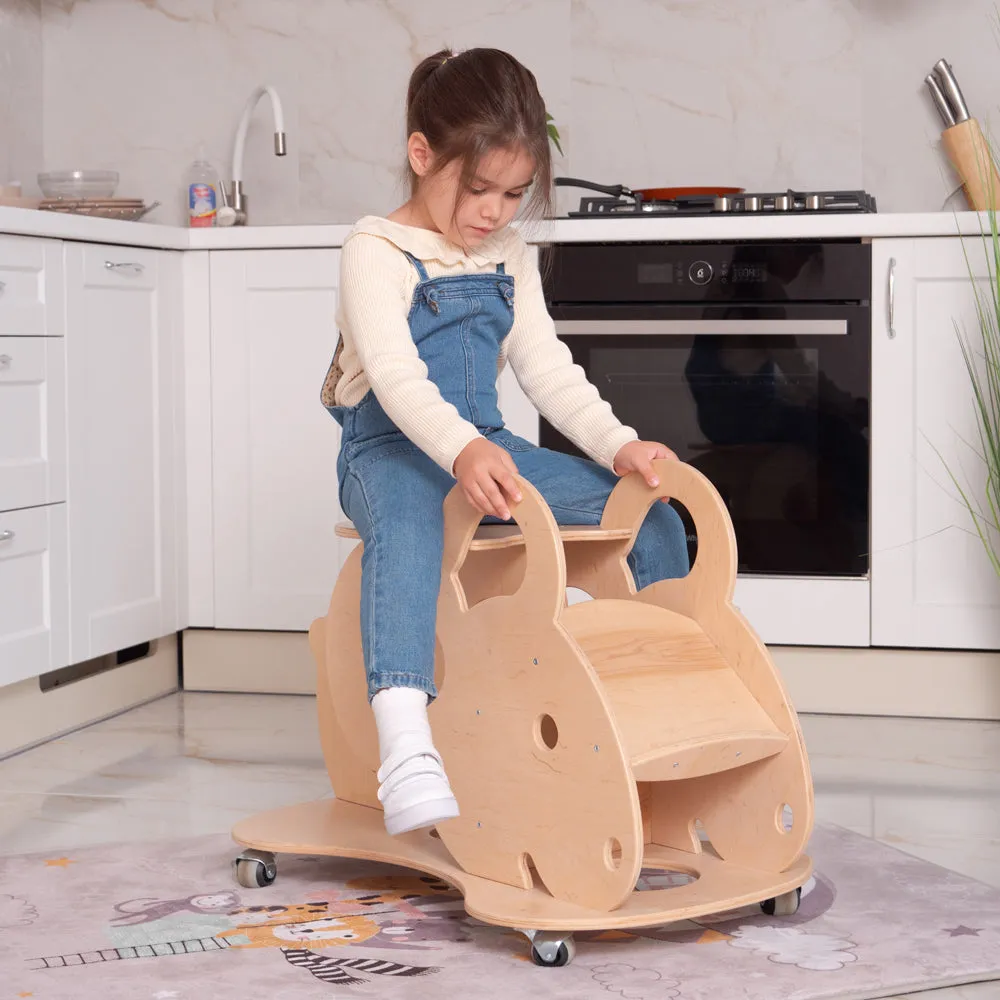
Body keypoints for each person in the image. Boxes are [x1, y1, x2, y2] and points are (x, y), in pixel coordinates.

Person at [320, 47, 689, 837]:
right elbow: (393, 375)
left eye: (514, 194)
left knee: (649, 514)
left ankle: (664, 703)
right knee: (412, 522)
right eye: (478, 188)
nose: (493, 211)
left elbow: (545, 367)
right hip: (386, 446)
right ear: (422, 155)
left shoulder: (506, 254)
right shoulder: (374, 250)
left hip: (483, 447)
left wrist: (618, 445)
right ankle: (406, 743)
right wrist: (460, 453)